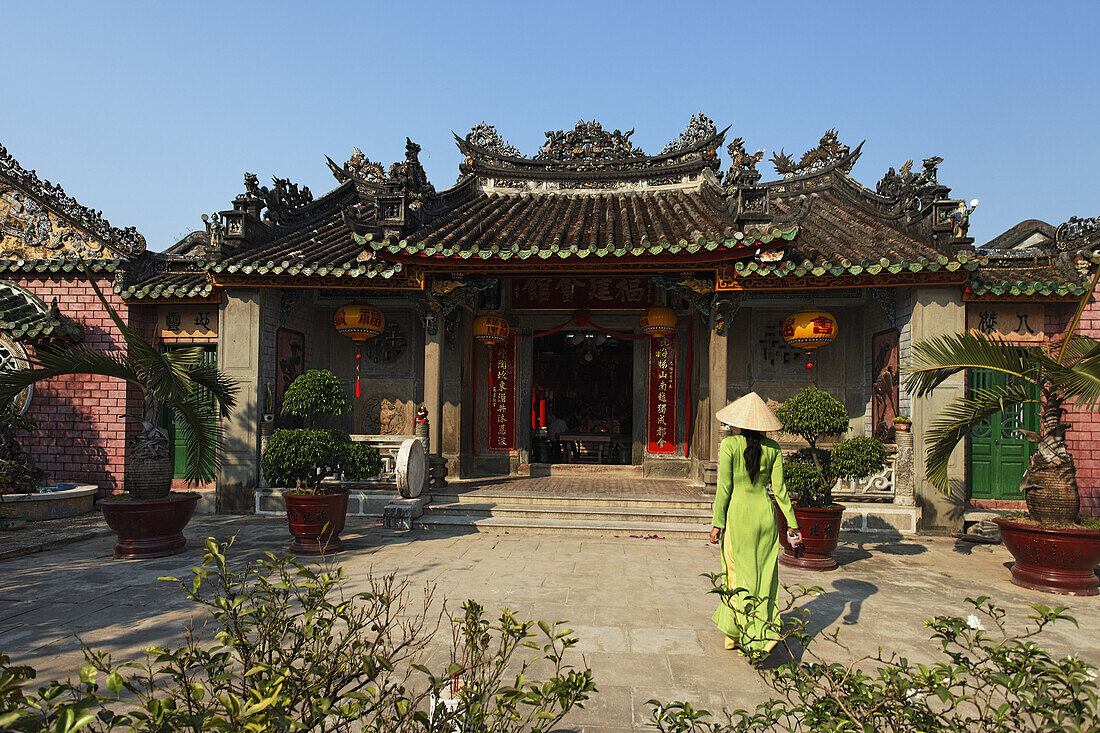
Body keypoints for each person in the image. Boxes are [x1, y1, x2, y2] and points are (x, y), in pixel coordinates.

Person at [708, 392, 803, 657]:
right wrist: (793, 525)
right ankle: (764, 631)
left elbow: (724, 488)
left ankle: (739, 632)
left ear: (737, 422)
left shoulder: (729, 446)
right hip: (765, 515)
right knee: (764, 577)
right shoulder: (773, 449)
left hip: (738, 516)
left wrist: (717, 523)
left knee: (736, 575)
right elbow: (781, 491)